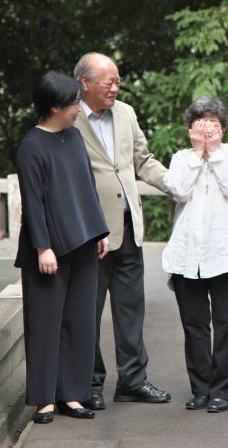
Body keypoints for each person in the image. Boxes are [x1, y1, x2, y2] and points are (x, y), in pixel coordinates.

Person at [73, 53, 171, 409]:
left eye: (117, 81)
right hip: (90, 234)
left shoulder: (125, 112)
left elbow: (143, 160)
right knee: (88, 312)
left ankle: (133, 380)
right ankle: (90, 383)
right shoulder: (69, 118)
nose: (115, 88)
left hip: (129, 229)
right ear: (84, 83)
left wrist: (177, 184)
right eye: (107, 82)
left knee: (131, 310)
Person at [14, 71, 110, 424]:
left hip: (84, 243)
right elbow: (33, 203)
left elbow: (87, 187)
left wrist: (100, 230)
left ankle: (73, 394)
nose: (79, 110)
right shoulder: (31, 146)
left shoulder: (74, 138)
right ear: (54, 107)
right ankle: (44, 399)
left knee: (80, 322)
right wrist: (43, 248)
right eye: (73, 104)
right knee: (44, 323)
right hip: (50, 249)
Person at [162, 97, 228, 413]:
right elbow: (179, 191)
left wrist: (213, 153)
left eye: (214, 124)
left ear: (223, 128)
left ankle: (222, 390)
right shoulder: (180, 158)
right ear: (190, 128)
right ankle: (200, 388)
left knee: (227, 323)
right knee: (194, 324)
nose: (207, 130)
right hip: (188, 252)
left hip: (226, 251)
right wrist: (198, 154)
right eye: (201, 124)